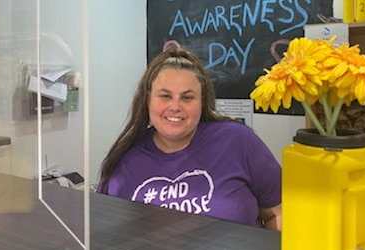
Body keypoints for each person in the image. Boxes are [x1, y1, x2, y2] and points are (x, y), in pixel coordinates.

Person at [96, 46, 282, 231]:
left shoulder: (239, 141)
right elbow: (108, 231)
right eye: (165, 96)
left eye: (187, 98)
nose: (175, 106)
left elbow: (279, 214)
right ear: (147, 100)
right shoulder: (123, 158)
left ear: (202, 101)